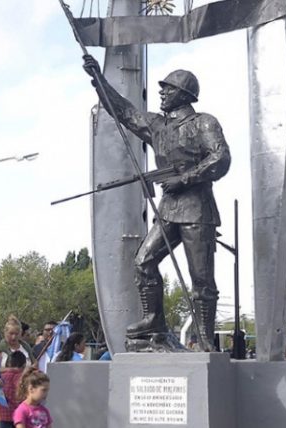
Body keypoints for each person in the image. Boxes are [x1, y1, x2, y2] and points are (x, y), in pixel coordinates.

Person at [82, 55, 231, 351]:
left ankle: (204, 339)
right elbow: (124, 112)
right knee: (143, 261)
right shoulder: (157, 126)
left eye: (168, 88)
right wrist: (99, 80)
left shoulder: (204, 123)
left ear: (184, 94)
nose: (162, 92)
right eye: (162, 88)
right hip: (168, 210)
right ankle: (154, 320)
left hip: (197, 210)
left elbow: (221, 158)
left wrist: (185, 178)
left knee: (201, 279)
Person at [0, 351, 27, 428]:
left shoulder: (1, 377)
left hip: (2, 415)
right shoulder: (22, 378)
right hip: (18, 416)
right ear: (24, 365)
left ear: (8, 364)